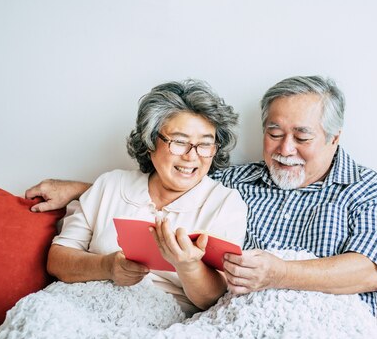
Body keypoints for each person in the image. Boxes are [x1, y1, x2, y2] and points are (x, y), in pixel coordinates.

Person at [27, 75, 377, 316]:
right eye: (274, 133)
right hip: (235, 322)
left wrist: (279, 273)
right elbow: (172, 177)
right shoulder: (238, 180)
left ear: (334, 137)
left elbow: (373, 271)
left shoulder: (365, 189)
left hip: (322, 322)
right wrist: (82, 191)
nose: (285, 148)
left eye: (302, 137)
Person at [44, 79, 247, 317]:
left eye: (205, 144)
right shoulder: (110, 184)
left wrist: (188, 266)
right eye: (180, 142)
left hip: (159, 318)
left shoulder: (225, 204)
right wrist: (108, 267)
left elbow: (216, 299)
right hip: (78, 306)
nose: (192, 156)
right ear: (150, 142)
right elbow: (57, 260)